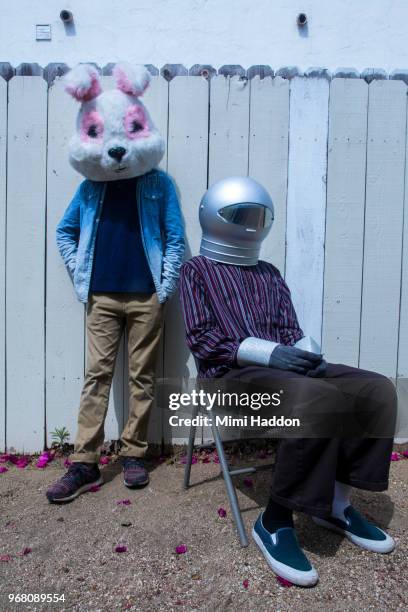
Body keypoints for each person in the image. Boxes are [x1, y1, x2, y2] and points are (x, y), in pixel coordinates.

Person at [179, 176, 396, 587]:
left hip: (282, 373)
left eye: (256, 216)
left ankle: (335, 503)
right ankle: (275, 520)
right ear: (215, 217)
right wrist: (269, 353)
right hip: (227, 379)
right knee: (316, 398)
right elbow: (203, 338)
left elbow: (288, 328)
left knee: (376, 389)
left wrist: (305, 354)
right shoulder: (197, 271)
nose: (249, 223)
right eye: (240, 215)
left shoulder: (268, 271)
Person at [46, 63, 184, 503]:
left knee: (141, 379)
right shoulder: (91, 187)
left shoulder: (159, 184)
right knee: (97, 378)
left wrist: (163, 288)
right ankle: (84, 463)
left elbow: (177, 238)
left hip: (147, 297)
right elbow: (64, 231)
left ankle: (134, 455)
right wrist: (79, 270)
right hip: (101, 296)